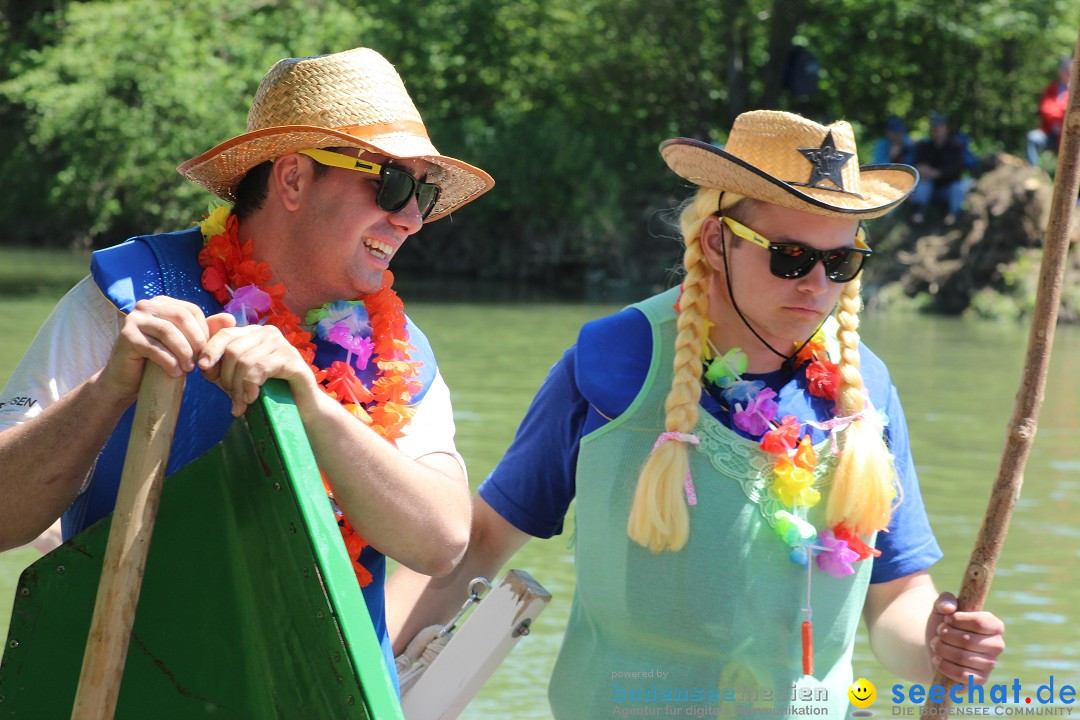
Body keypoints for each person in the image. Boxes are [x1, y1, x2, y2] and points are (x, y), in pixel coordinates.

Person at [387, 110, 1005, 717]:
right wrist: (361, 664)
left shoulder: (866, 389)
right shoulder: (613, 359)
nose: (816, 284)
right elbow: (481, 545)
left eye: (840, 263)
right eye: (790, 257)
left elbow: (896, 599)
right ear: (716, 240)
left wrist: (938, 646)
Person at [0, 47, 493, 688]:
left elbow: (444, 541)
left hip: (317, 694)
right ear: (291, 179)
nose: (411, 218)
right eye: (392, 183)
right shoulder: (128, 299)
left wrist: (313, 410)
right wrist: (105, 392)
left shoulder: (402, 353)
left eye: (423, 193)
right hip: (122, 687)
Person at [909, 113, 972, 225]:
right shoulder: (925, 147)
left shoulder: (955, 147)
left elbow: (956, 170)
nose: (936, 130)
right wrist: (933, 173)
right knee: (923, 185)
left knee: (957, 187)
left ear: (946, 128)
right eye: (934, 128)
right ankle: (917, 214)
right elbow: (919, 168)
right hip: (930, 190)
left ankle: (954, 215)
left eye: (939, 127)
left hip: (947, 189)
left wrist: (937, 173)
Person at [1026, 56, 1073, 166]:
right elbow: (1046, 110)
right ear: (1059, 72)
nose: (1069, 74)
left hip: (1071, 137)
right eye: (1066, 70)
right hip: (1051, 135)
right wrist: (1063, 112)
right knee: (1032, 137)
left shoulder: (1076, 92)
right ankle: (1032, 173)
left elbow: (1073, 116)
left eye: (1071, 71)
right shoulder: (1051, 88)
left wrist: (1060, 110)